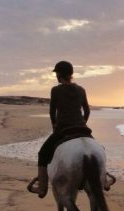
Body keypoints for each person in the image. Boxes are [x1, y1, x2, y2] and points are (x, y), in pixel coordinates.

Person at [29, 61, 91, 198]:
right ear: (71, 74)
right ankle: (103, 177)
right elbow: (87, 110)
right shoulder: (81, 90)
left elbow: (52, 112)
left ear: (59, 74)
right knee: (98, 148)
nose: (56, 75)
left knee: (43, 153)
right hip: (82, 128)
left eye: (56, 73)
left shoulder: (56, 90)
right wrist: (83, 124)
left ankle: (42, 188)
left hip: (64, 129)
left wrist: (55, 127)